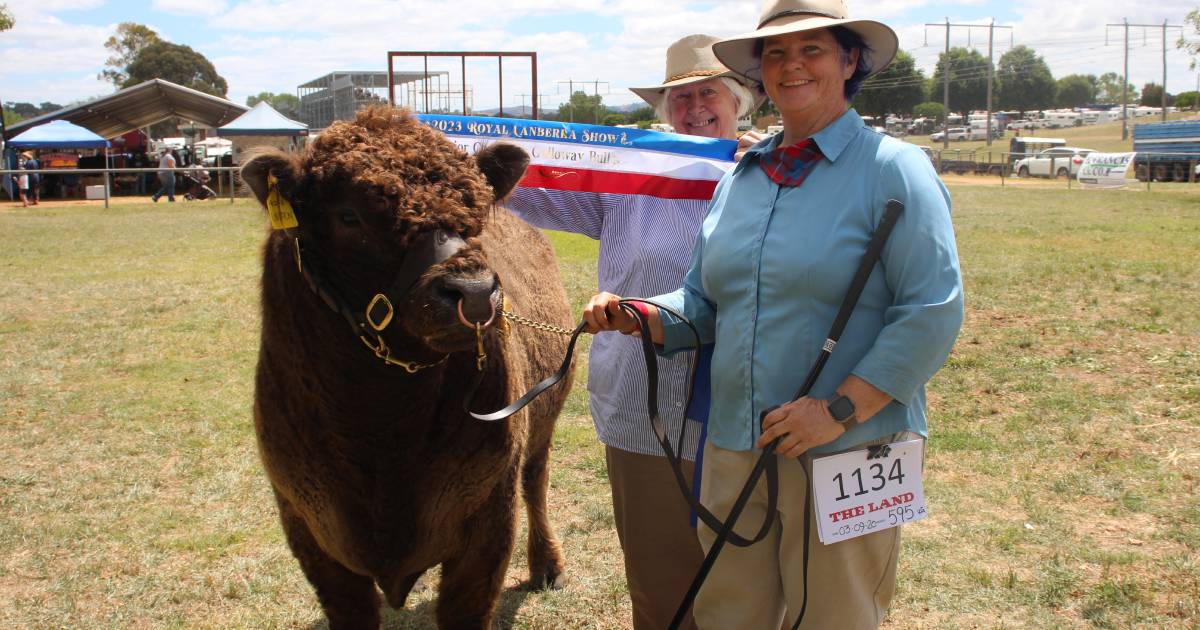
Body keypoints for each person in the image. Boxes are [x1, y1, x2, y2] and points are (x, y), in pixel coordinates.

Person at [581, 1, 965, 627]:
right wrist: (641, 314)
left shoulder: (895, 169)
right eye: (776, 54)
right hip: (737, 441)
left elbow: (932, 311)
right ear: (761, 73)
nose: (792, 65)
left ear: (849, 60)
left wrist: (838, 410)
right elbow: (704, 305)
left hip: (849, 445)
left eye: (811, 49)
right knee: (729, 612)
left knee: (835, 614)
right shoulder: (743, 180)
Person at [504, 34, 761, 630]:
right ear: (664, 112)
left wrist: (768, 164)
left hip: (744, 406)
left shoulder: (771, 170)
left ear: (737, 100)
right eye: (682, 97)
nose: (696, 106)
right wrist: (457, 157)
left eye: (709, 93)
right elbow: (538, 192)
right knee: (660, 580)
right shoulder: (632, 183)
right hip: (643, 410)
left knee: (748, 573)